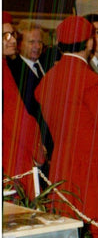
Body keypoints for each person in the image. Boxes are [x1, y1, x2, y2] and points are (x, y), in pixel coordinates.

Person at [35, 16, 98, 238]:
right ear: (89, 43)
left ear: (60, 45)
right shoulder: (92, 82)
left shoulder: (48, 81)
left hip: (63, 168)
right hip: (97, 170)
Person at [3, 11, 45, 199]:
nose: (12, 41)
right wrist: (37, 148)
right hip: (12, 155)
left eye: (12, 34)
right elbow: (15, 117)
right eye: (5, 36)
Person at [7, 20, 53, 168]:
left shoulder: (48, 66)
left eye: (40, 42)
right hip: (34, 143)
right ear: (19, 44)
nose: (37, 46)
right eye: (32, 42)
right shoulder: (12, 71)